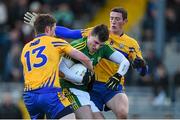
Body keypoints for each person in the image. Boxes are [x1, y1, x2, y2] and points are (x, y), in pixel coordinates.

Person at [23, 7, 148, 119]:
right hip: (90, 85)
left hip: (112, 85)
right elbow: (69, 33)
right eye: (111, 18)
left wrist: (141, 67)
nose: (113, 21)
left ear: (125, 21)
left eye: (117, 19)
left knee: (122, 113)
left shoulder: (131, 44)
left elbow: (142, 71)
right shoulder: (93, 33)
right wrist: (41, 26)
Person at [21, 14, 93, 119]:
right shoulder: (55, 42)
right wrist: (91, 70)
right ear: (47, 29)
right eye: (54, 29)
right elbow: (84, 58)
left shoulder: (26, 47)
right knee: (71, 117)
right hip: (49, 94)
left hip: (29, 96)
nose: (55, 33)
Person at [59, 24, 130, 119]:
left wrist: (118, 74)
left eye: (101, 45)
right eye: (96, 42)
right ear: (89, 36)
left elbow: (125, 61)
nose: (97, 47)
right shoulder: (77, 46)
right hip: (68, 89)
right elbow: (60, 71)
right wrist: (80, 78)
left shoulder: (104, 48)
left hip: (85, 91)